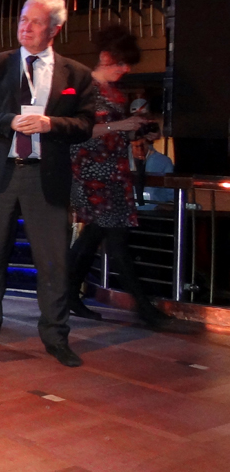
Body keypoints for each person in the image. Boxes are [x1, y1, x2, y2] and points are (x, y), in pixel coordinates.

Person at [0, 0, 96, 367]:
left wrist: (51, 124)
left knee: (52, 263)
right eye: (22, 19)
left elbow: (85, 124)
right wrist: (9, 121)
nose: (25, 27)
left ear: (55, 29)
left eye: (35, 22)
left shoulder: (76, 74)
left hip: (45, 177)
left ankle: (56, 336)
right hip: (0, 172)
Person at [65, 24, 169, 326]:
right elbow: (77, 130)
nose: (125, 69)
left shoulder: (114, 92)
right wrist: (120, 126)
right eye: (121, 63)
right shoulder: (83, 87)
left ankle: (66, 294)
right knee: (115, 239)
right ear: (105, 56)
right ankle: (144, 309)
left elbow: (111, 133)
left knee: (96, 236)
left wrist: (136, 129)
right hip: (91, 172)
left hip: (113, 172)